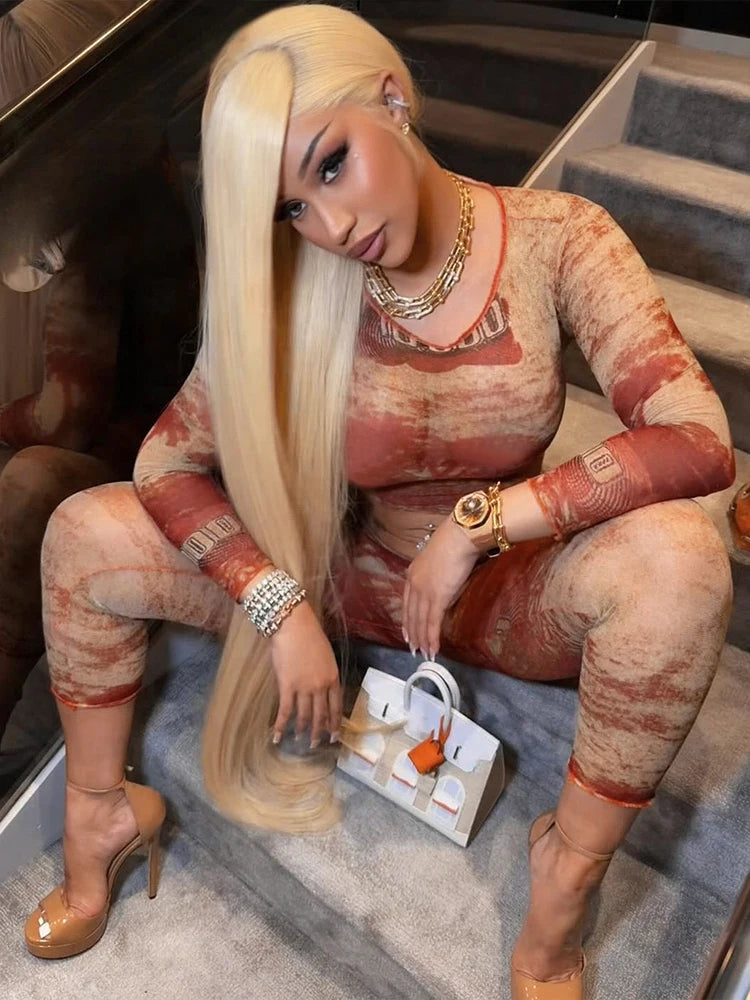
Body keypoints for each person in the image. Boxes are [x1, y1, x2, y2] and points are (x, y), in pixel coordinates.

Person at [23, 5, 735, 997]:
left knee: (681, 561)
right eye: (292, 209)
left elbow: (698, 437)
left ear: (393, 101)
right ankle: (99, 811)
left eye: (331, 165)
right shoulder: (298, 283)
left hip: (507, 596)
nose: (332, 227)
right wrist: (277, 603)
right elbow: (165, 463)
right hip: (341, 581)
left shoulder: (559, 237)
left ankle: (564, 886)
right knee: (81, 531)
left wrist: (481, 524)